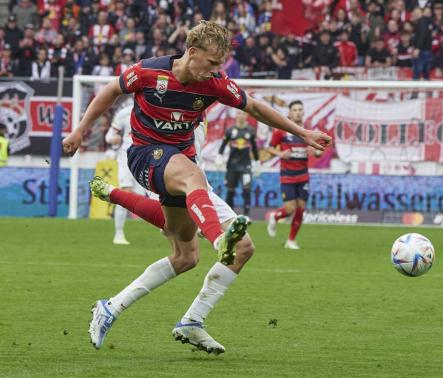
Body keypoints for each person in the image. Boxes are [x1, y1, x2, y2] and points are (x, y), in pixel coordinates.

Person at [62, 21, 331, 353]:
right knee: (195, 181)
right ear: (192, 53)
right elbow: (110, 91)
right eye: (213, 63)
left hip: (183, 168)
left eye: (221, 65)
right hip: (146, 156)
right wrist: (78, 131)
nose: (217, 71)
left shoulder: (214, 84)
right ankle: (220, 238)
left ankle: (158, 315)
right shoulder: (148, 72)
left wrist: (303, 133)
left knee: (196, 254)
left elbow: (255, 107)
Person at [266, 100, 321, 250]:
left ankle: (291, 240)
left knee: (301, 208)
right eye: (294, 110)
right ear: (289, 113)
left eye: (300, 109)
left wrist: (316, 152)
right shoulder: (281, 131)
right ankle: (275, 216)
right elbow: (270, 148)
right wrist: (280, 153)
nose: (297, 112)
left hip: (303, 175)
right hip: (287, 175)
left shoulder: (308, 132)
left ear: (303, 112)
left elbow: (318, 151)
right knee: (290, 209)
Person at [104, 99, 150, 245]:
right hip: (126, 157)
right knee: (126, 193)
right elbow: (108, 136)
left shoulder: (154, 111)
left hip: (145, 157)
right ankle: (118, 233)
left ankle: (169, 229)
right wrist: (113, 139)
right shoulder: (124, 113)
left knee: (145, 195)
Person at [215, 110, 259, 216]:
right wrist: (219, 156)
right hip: (232, 166)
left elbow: (254, 148)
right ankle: (230, 216)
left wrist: (257, 162)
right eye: (239, 113)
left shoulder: (251, 131)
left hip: (246, 166)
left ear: (247, 115)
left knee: (246, 190)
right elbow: (223, 144)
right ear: (236, 115)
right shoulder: (230, 130)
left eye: (243, 114)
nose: (241, 116)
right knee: (230, 191)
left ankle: (246, 216)